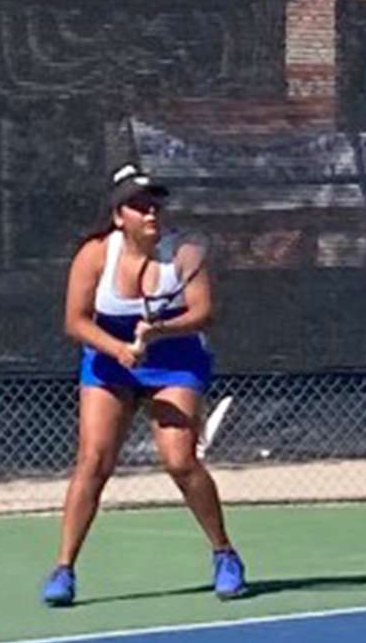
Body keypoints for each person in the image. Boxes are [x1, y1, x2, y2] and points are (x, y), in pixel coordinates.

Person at [41, 165, 246, 607]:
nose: (151, 212)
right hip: (108, 359)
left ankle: (224, 554)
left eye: (155, 204)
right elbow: (74, 321)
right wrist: (118, 349)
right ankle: (63, 569)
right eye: (139, 206)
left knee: (179, 461)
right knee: (93, 461)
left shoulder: (186, 253)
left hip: (175, 356)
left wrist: (159, 331)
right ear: (119, 216)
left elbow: (204, 312)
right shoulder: (95, 254)